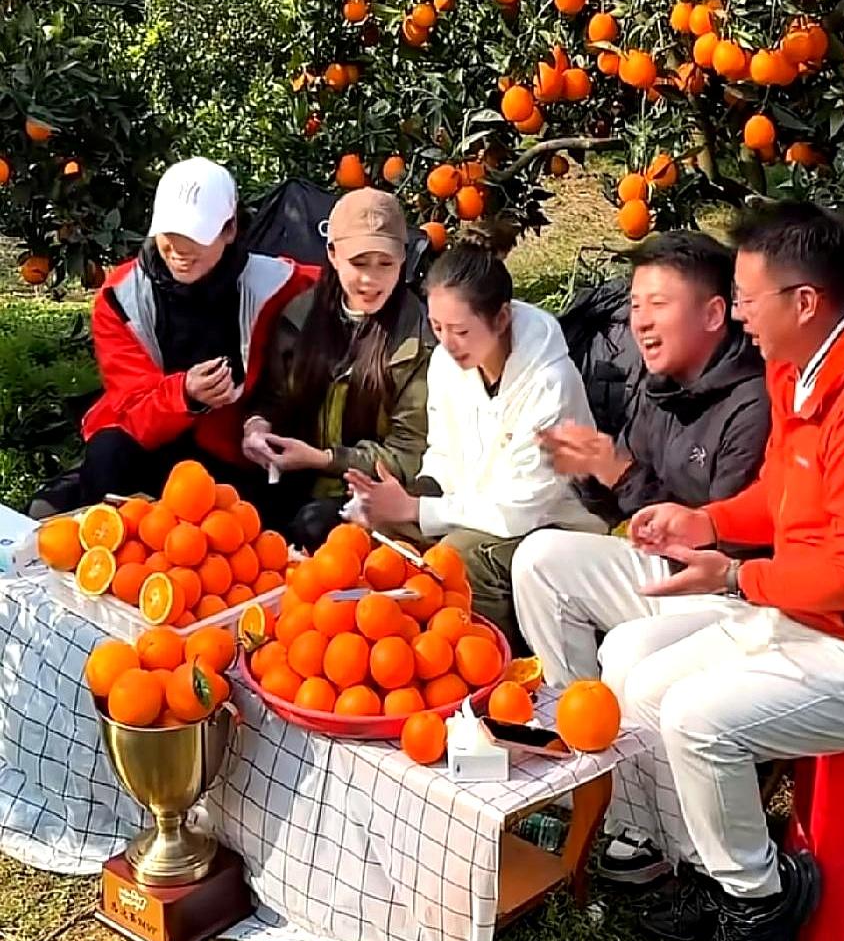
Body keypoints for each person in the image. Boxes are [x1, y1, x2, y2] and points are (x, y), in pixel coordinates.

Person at [598, 201, 844, 941]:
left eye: (749, 298)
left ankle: (761, 899)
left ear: (805, 301)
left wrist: (732, 577)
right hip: (813, 617)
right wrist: (711, 521)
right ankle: (707, 866)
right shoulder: (802, 368)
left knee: (699, 718)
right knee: (642, 686)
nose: (740, 313)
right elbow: (783, 497)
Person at [512, 233, 769, 686]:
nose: (641, 322)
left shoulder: (753, 406)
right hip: (667, 568)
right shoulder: (663, 387)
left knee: (627, 649)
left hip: (733, 594)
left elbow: (723, 542)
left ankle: (621, 730)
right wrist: (591, 471)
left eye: (658, 304)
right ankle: (576, 709)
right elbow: (626, 505)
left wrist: (619, 472)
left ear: (713, 314)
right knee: (538, 559)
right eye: (635, 305)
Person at [344, 224, 606, 647]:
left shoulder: (549, 384)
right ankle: (405, 657)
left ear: (501, 318)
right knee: (381, 544)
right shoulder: (447, 363)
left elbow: (520, 509)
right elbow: (443, 452)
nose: (448, 345)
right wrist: (405, 496)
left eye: (461, 331)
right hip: (469, 509)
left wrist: (416, 508)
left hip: (548, 524)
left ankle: (496, 660)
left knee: (457, 559)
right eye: (437, 328)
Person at [80, 157, 316, 503]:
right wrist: (185, 394)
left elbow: (344, 280)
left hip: (237, 449)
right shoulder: (121, 297)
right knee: (107, 454)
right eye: (170, 233)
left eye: (195, 234)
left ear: (230, 230)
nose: (179, 248)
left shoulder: (273, 283)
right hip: (151, 440)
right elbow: (132, 407)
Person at [241, 188, 432, 549]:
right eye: (359, 263)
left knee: (313, 528)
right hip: (293, 479)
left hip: (370, 497)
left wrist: (324, 460)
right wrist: (257, 427)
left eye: (385, 264)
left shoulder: (419, 341)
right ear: (333, 254)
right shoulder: (300, 316)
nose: (371, 279)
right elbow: (272, 397)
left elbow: (408, 455)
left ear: (403, 259)